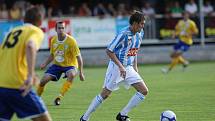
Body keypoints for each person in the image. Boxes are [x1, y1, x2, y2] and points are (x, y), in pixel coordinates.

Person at [80, 11, 148, 121]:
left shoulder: (141, 33)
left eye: (143, 24)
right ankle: (85, 117)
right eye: (141, 24)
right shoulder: (124, 34)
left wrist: (135, 66)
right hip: (116, 67)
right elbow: (109, 50)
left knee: (143, 90)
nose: (143, 26)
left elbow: (134, 51)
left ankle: (122, 115)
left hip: (128, 67)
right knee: (105, 94)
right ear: (135, 23)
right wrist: (120, 66)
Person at [0, 6, 52, 121]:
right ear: (40, 20)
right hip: (18, 85)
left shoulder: (11, 32)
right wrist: (30, 75)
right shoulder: (35, 31)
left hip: (1, 85)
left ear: (24, 19)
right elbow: (30, 45)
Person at [37, 21, 85, 105]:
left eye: (63, 28)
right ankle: (37, 99)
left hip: (70, 65)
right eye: (59, 28)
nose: (61, 29)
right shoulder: (53, 40)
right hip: (57, 65)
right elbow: (52, 54)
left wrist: (81, 73)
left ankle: (59, 97)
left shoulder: (71, 41)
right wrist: (45, 63)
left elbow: (79, 57)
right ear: (55, 29)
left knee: (72, 74)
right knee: (43, 81)